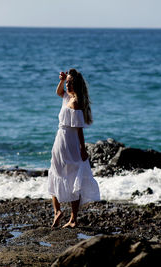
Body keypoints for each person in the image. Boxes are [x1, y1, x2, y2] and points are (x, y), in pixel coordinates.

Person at [48, 68, 100, 228]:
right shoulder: (66, 97)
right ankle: (57, 212)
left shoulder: (76, 102)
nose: (68, 85)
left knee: (72, 177)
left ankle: (73, 218)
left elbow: (79, 129)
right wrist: (62, 80)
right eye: (68, 82)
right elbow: (58, 92)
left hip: (69, 142)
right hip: (60, 140)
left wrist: (83, 149)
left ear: (76, 85)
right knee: (54, 172)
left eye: (71, 82)